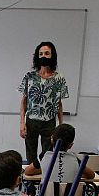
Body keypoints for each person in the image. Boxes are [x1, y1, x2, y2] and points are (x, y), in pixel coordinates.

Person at [18, 41, 69, 171]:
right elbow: (24, 101)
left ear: (52, 56)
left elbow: (59, 103)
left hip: (49, 122)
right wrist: (22, 123)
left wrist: (61, 125)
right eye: (40, 54)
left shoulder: (59, 78)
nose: (43, 56)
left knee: (48, 154)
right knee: (30, 154)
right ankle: (30, 182)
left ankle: (43, 181)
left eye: (47, 53)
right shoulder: (29, 77)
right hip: (31, 121)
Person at [24, 123, 94, 182]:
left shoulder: (45, 156)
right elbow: (91, 175)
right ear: (71, 145)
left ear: (51, 139)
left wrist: (46, 169)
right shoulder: (75, 160)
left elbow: (27, 171)